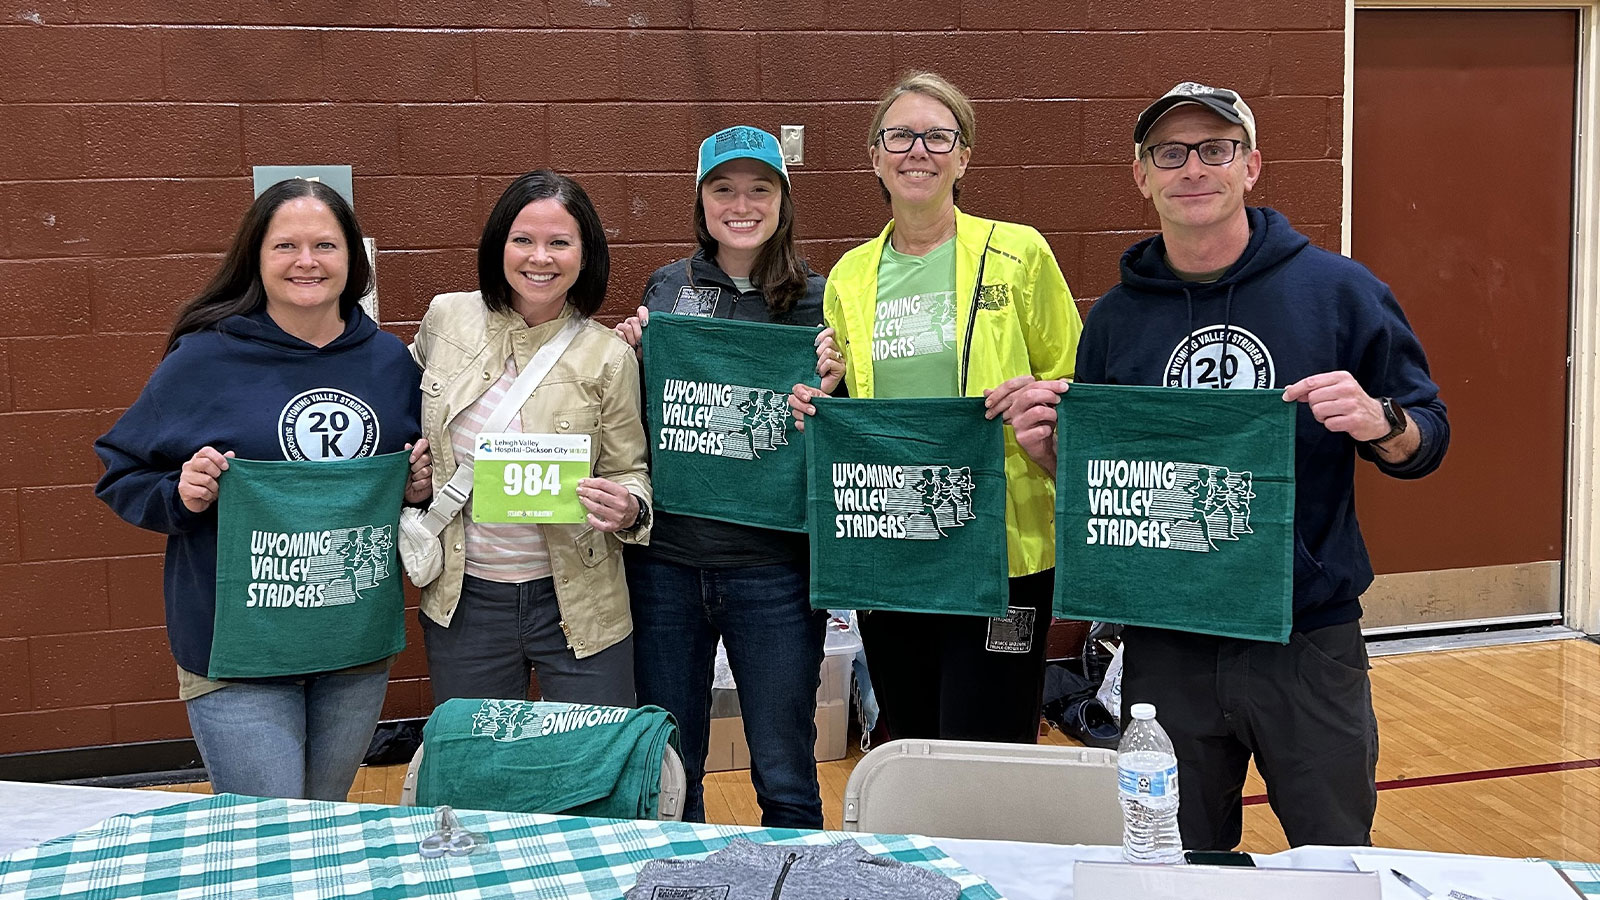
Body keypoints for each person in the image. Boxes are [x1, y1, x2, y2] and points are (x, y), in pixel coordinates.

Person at [1007, 82, 1450, 849]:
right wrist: (1053, 460)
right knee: (1176, 862)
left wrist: (1383, 422)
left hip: (1303, 637)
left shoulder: (1340, 293)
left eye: (1215, 149)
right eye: (1170, 154)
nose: (1193, 169)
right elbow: (1112, 483)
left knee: (1334, 858)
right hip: (1166, 645)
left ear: (1250, 166)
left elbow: (1428, 439)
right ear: (1141, 176)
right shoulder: (1115, 319)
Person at [94, 179, 431, 800]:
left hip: (351, 644)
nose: (307, 261)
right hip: (235, 651)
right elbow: (122, 473)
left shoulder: (390, 363)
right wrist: (182, 493)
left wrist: (415, 489)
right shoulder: (203, 359)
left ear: (353, 260)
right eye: (287, 246)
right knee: (268, 834)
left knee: (323, 819)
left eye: (325, 245)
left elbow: (418, 486)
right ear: (256, 257)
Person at [788, 73, 1084, 744]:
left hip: (1002, 547)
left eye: (937, 136)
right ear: (875, 156)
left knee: (992, 741)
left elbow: (1075, 382)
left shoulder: (1020, 253)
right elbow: (857, 402)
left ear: (963, 156)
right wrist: (826, 399)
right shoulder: (851, 277)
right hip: (893, 545)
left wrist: (1044, 408)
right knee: (913, 735)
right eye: (900, 135)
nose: (917, 150)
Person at [612, 126, 829, 827]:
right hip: (667, 563)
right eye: (723, 188)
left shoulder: (821, 302)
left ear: (783, 200)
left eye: (759, 188)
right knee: (672, 766)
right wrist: (628, 351)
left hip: (776, 570)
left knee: (785, 768)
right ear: (702, 201)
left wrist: (840, 380)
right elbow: (639, 406)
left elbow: (850, 421)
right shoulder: (668, 288)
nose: (742, 203)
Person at [412, 170, 650, 708]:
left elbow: (630, 469)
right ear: (499, 244)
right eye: (523, 240)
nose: (539, 257)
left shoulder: (606, 355)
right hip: (464, 598)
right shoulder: (447, 318)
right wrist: (410, 475)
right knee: (478, 769)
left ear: (584, 255)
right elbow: (401, 420)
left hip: (579, 598)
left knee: (593, 764)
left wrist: (629, 507)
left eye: (559, 243)